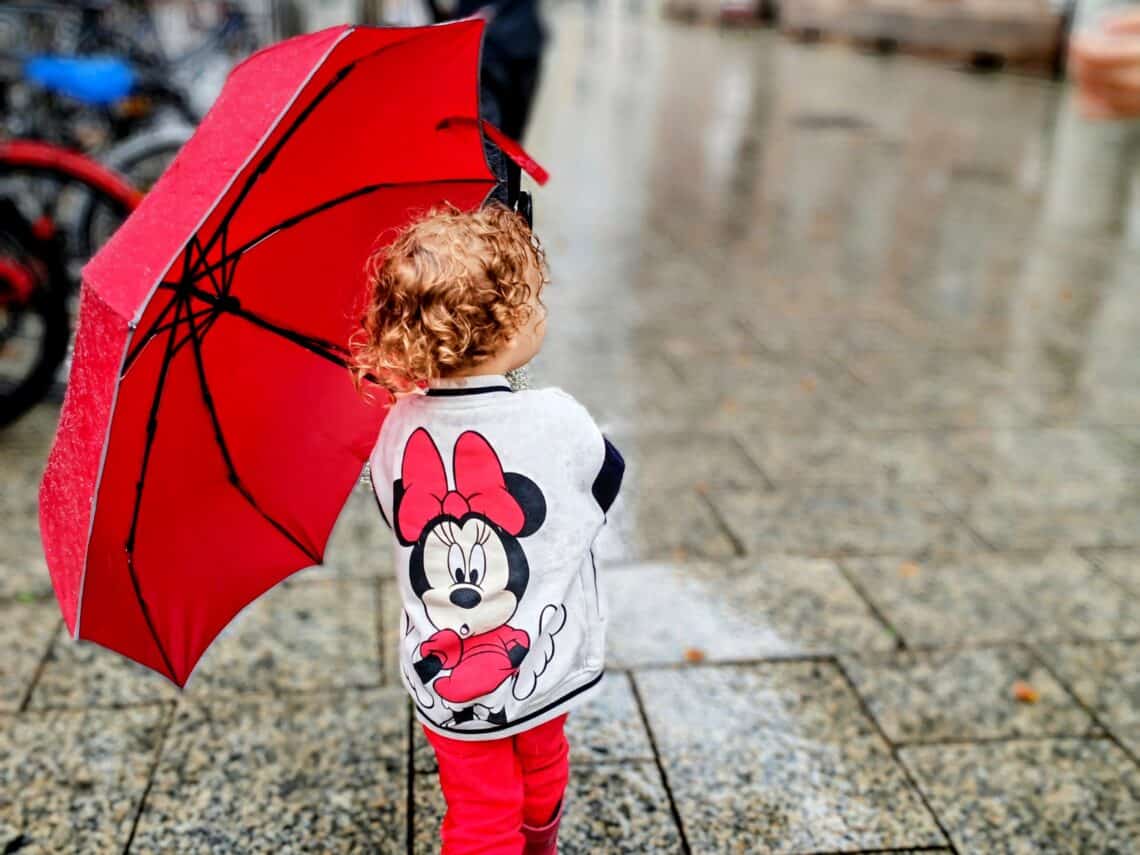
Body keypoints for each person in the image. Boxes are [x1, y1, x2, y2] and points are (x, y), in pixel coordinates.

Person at [349, 202, 624, 854]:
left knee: (479, 805)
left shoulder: (395, 428)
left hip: (444, 669)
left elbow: (399, 515)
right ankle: (540, 845)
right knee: (542, 762)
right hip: (543, 660)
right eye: (530, 299)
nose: (540, 310)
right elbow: (605, 477)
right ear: (501, 328)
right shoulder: (555, 418)